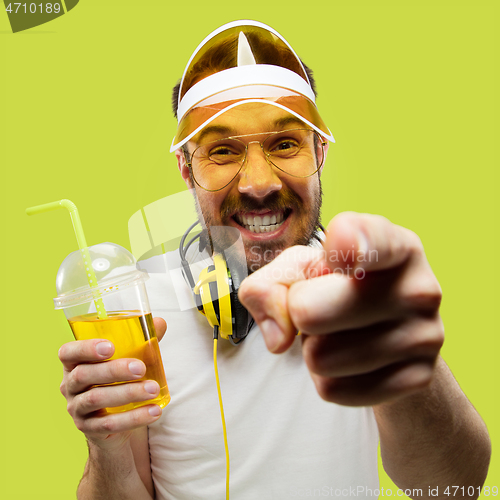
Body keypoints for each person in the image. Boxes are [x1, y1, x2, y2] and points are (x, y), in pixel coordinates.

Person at [58, 21, 491, 499]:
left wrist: (410, 366)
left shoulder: (366, 290)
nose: (258, 183)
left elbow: (456, 488)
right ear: (186, 169)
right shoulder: (139, 313)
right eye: (222, 151)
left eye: (285, 143)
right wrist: (108, 444)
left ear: (320, 152)